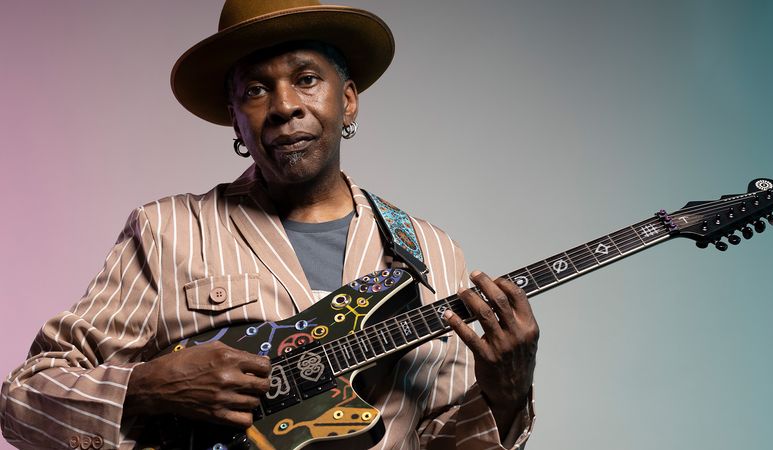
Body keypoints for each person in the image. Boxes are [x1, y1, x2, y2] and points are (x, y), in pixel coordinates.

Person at [0, 1, 539, 449]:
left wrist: (506, 397)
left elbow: (440, 440)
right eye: (255, 90)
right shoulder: (167, 230)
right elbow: (24, 399)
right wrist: (143, 387)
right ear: (234, 117)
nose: (284, 107)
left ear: (347, 100)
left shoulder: (431, 253)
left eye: (307, 80)